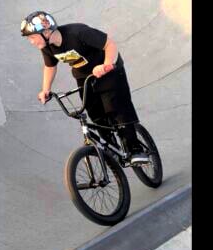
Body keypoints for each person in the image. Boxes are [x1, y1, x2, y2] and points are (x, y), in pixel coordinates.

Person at [20, 11, 149, 164]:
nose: (31, 42)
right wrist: (45, 89)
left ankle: (135, 149)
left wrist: (106, 64)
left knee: (116, 108)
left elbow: (110, 44)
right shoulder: (47, 47)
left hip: (108, 71)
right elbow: (50, 66)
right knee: (95, 113)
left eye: (32, 37)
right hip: (85, 78)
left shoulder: (78, 33)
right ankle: (110, 146)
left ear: (46, 31)